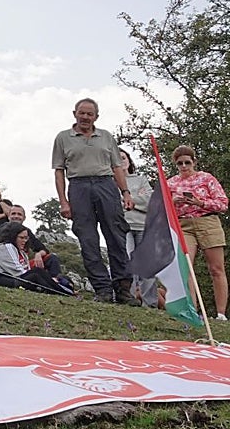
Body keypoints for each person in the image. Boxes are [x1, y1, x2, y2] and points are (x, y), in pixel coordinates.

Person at [51, 97, 134, 304]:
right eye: (82, 113)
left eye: (90, 114)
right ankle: (103, 289)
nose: (85, 117)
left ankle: (123, 289)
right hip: (78, 187)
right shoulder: (63, 137)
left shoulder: (106, 136)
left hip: (106, 184)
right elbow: (59, 171)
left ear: (96, 116)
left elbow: (117, 167)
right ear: (75, 114)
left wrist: (125, 192)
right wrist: (63, 201)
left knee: (116, 236)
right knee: (88, 240)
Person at [168, 145, 229, 320]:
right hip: (184, 224)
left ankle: (221, 313)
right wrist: (173, 200)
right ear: (176, 165)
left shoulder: (206, 178)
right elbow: (162, 207)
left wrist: (199, 202)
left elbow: (223, 203)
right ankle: (192, 310)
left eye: (187, 162)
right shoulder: (171, 183)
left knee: (216, 268)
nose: (184, 166)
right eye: (180, 163)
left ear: (194, 161)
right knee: (186, 267)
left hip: (208, 221)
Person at [118, 149, 158, 308]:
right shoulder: (111, 182)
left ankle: (151, 303)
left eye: (123, 157)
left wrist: (127, 199)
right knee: (128, 262)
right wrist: (137, 200)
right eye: (117, 158)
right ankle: (132, 299)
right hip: (123, 227)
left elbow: (151, 200)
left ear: (129, 160)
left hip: (143, 226)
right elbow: (112, 204)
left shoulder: (141, 179)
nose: (121, 161)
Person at [0, 224, 73, 295]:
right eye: (21, 238)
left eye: (26, 238)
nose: (24, 241)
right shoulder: (6, 247)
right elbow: (18, 272)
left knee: (40, 272)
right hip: (6, 280)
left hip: (16, 279)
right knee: (37, 273)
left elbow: (26, 269)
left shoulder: (20, 251)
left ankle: (64, 289)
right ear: (13, 237)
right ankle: (63, 291)